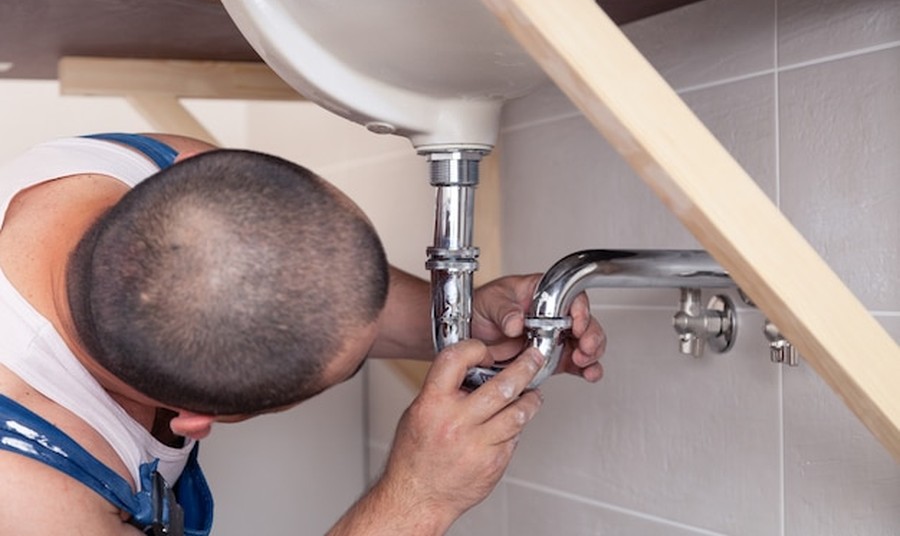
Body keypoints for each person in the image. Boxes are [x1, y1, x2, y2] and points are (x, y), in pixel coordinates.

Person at [0, 132, 605, 535]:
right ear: (194, 416)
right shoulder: (37, 503)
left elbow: (298, 278)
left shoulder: (131, 166)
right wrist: (417, 499)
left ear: (201, 173)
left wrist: (454, 316)